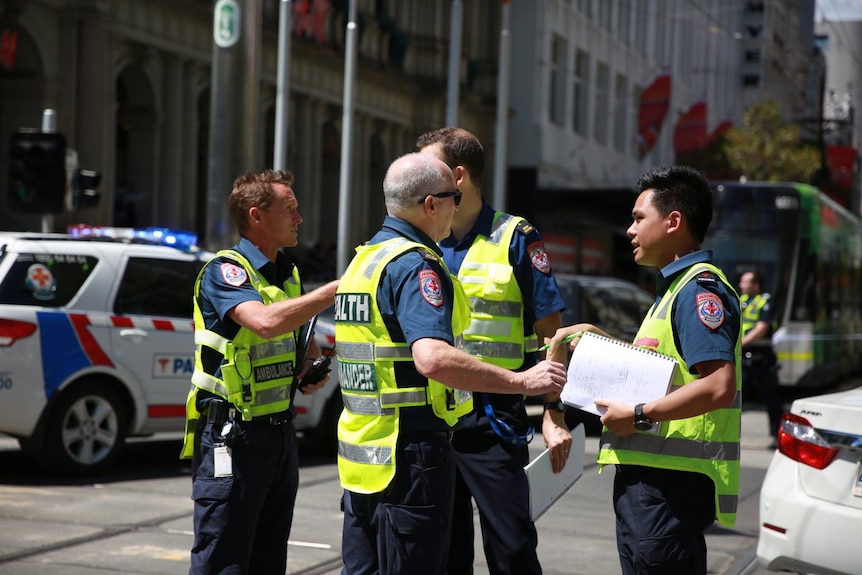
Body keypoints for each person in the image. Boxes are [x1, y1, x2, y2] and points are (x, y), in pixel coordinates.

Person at [335, 152, 567, 575]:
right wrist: (523, 382)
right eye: (452, 199)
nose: (456, 208)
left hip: (365, 458)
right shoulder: (415, 264)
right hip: (411, 452)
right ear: (431, 205)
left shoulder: (363, 260)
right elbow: (433, 358)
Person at [547, 165, 742, 575]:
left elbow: (719, 385)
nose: (630, 230)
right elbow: (658, 371)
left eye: (638, 218)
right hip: (653, 484)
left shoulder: (697, 291)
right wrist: (596, 338)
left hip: (669, 488)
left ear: (673, 221)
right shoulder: (674, 290)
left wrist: (637, 415)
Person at [416, 127, 571, 575]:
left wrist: (554, 413)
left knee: (512, 547)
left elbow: (552, 335)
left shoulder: (516, 237)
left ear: (458, 177)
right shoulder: (419, 241)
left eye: (430, 170)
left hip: (493, 421)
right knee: (445, 553)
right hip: (432, 419)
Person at [180, 169, 339, 575]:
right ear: (257, 216)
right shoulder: (226, 270)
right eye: (290, 209)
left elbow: (302, 339)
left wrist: (310, 369)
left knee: (269, 559)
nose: (299, 218)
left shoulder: (287, 272)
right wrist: (330, 292)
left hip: (279, 435)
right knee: (225, 559)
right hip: (232, 437)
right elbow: (265, 322)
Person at [739, 269, 783, 447]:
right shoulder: (741, 300)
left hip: (761, 357)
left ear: (756, 285)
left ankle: (777, 436)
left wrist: (740, 345)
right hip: (743, 356)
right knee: (736, 398)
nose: (741, 285)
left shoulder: (765, 302)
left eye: (745, 282)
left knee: (771, 398)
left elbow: (761, 328)